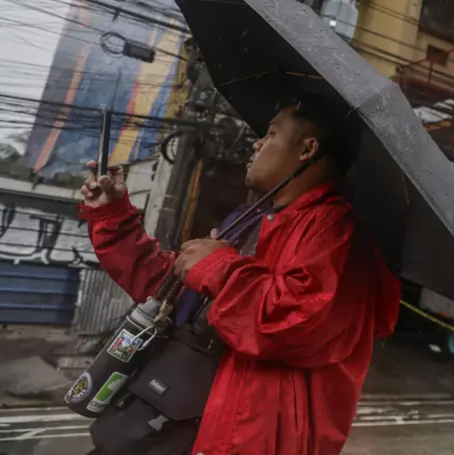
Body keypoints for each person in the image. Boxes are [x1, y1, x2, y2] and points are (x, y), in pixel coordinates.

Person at [79, 94, 400, 455]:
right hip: (159, 417)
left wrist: (218, 267)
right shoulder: (251, 219)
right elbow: (173, 288)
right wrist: (113, 216)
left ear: (308, 149)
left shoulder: (337, 232)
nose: (256, 144)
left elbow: (298, 321)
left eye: (272, 133)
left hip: (236, 434)